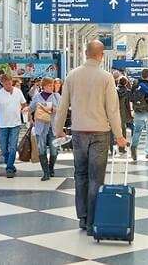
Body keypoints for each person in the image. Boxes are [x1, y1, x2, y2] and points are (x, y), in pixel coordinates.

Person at [54, 40, 127, 235]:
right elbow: (112, 109)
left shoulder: (72, 75)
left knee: (80, 175)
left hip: (78, 132)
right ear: (101, 55)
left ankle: (82, 217)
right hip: (100, 133)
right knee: (96, 178)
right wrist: (119, 136)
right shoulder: (106, 78)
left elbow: (62, 106)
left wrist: (58, 129)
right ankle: (93, 220)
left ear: (86, 53)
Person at [0, 74, 28, 178]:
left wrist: (25, 110)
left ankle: (9, 168)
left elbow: (24, 104)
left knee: (13, 146)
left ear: (12, 81)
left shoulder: (18, 92)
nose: (8, 85)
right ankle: (9, 163)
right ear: (2, 84)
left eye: (9, 82)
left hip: (15, 123)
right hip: (3, 125)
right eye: (5, 84)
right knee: (3, 148)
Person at [30, 77, 60, 181]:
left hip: (53, 126)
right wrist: (28, 114)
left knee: (54, 150)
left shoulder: (56, 96)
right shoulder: (37, 97)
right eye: (49, 85)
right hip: (40, 127)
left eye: (52, 85)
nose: (51, 87)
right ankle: (46, 172)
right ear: (44, 86)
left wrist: (53, 109)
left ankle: (51, 168)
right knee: (41, 149)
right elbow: (31, 108)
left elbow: (61, 110)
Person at [130, 68, 148, 161]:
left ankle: (134, 147)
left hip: (138, 112)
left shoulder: (136, 85)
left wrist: (131, 110)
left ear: (141, 75)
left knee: (137, 131)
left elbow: (131, 99)